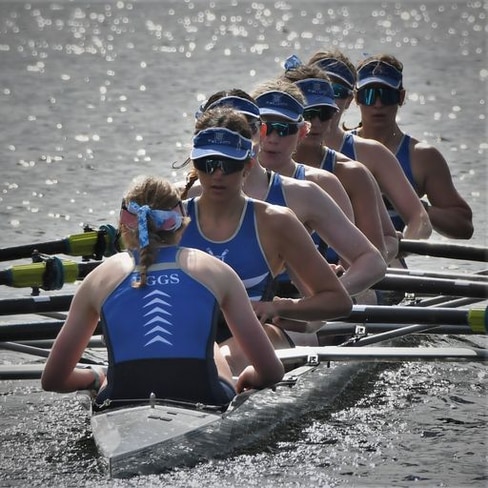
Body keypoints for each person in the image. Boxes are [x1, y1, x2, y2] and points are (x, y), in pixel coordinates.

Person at [41, 175, 285, 408]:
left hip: (119, 398)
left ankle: (111, 375)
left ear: (123, 225)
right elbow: (271, 372)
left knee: (116, 364)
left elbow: (53, 380)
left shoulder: (98, 278)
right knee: (210, 347)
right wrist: (247, 378)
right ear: (181, 220)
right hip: (207, 395)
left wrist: (95, 377)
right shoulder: (217, 271)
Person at [178, 107, 353, 367]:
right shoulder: (173, 218)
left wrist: (279, 308)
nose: (217, 174)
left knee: (221, 361)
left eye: (228, 164)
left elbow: (338, 301)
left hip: (255, 332)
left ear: (248, 164)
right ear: (196, 164)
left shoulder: (276, 221)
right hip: (187, 332)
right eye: (208, 164)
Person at [180, 91, 387, 301]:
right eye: (220, 133)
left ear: (261, 131)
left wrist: (324, 297)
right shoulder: (181, 200)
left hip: (288, 310)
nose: (231, 140)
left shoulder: (303, 194)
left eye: (242, 128)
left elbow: (371, 260)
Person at [277, 64, 399, 266]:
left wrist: (335, 285)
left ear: (334, 114)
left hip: (341, 278)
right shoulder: (249, 170)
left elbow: (374, 257)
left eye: (324, 113)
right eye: (308, 113)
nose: (315, 122)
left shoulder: (352, 174)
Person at [304, 50, 433, 241]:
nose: (325, 100)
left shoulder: (372, 155)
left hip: (362, 259)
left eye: (335, 91)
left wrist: (399, 246)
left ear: (349, 100)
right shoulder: (275, 151)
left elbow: (419, 219)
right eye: (317, 91)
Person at [353, 53, 473, 239]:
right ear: (356, 98)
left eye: (386, 96)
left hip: (394, 259)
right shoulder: (336, 147)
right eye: (369, 95)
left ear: (401, 97)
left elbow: (463, 226)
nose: (377, 104)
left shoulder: (422, 157)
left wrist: (411, 205)